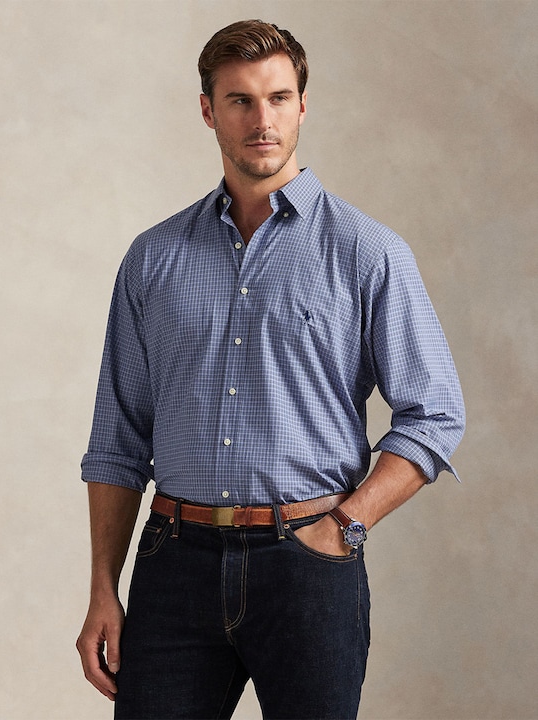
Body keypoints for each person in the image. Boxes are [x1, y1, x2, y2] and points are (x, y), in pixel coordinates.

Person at [76, 19, 465, 720]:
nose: (263, 120)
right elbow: (118, 440)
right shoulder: (153, 258)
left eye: (279, 98)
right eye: (241, 101)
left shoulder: (367, 251)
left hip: (308, 566)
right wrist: (104, 587)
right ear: (208, 111)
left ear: (302, 106)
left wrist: (346, 524)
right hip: (173, 565)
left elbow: (435, 414)